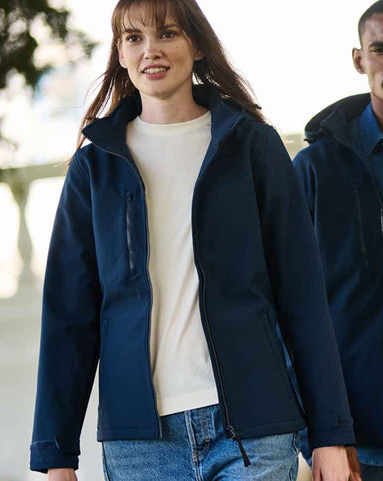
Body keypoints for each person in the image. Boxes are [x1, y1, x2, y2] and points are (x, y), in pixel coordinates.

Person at [30, 0, 356, 480]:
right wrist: (55, 455)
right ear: (120, 53)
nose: (151, 50)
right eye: (134, 38)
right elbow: (68, 315)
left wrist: (330, 434)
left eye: (167, 33)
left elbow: (302, 297)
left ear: (197, 45)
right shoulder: (94, 168)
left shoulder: (253, 147)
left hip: (254, 431)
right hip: (140, 445)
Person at [293, 2, 383, 480]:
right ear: (358, 59)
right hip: (359, 444)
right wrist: (321, 433)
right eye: (380, 49)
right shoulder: (315, 170)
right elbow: (287, 309)